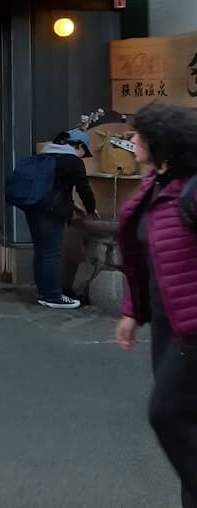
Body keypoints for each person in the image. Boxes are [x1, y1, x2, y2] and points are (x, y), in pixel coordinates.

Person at [114, 103, 197, 508]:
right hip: (169, 326)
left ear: (159, 143)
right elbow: (145, 258)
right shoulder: (154, 187)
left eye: (137, 135)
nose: (131, 141)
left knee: (166, 413)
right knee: (190, 425)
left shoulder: (191, 191)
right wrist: (133, 311)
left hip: (193, 331)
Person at [23, 129, 98, 309]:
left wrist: (72, 205)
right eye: (83, 152)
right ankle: (53, 296)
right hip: (52, 212)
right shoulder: (72, 161)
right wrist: (91, 209)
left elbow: (54, 186)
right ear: (79, 146)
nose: (82, 156)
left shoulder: (44, 156)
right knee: (52, 253)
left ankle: (43, 293)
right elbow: (84, 189)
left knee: (41, 251)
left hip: (33, 209)